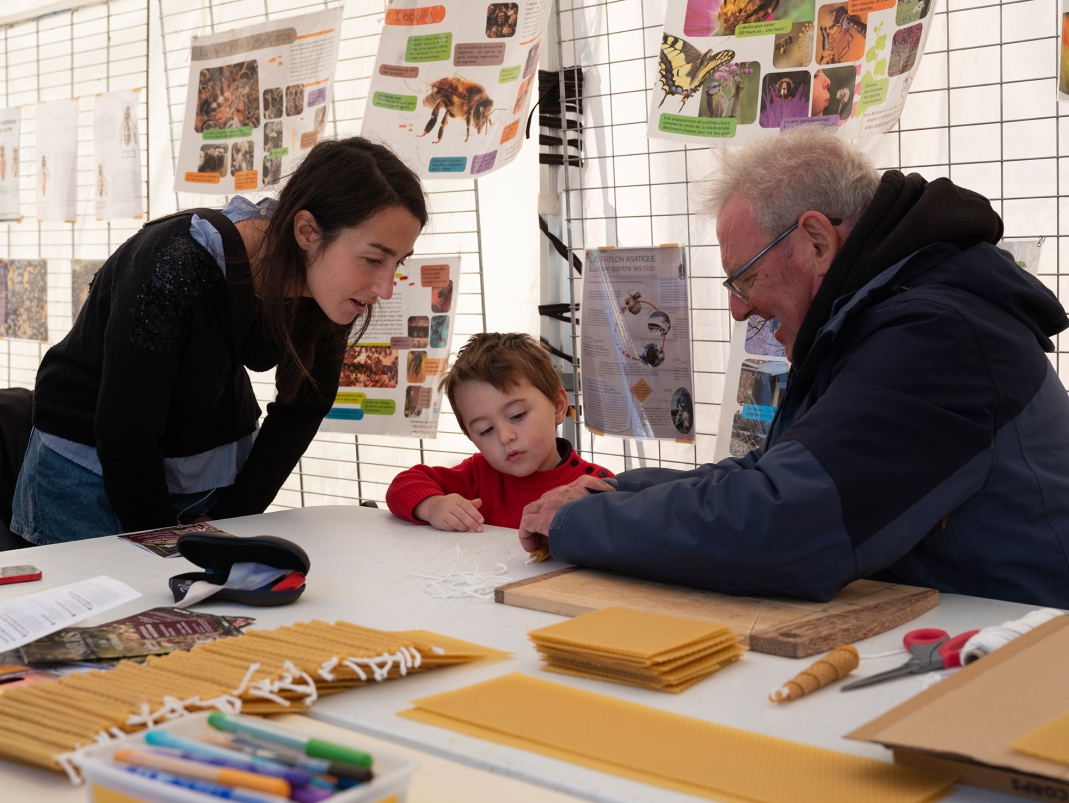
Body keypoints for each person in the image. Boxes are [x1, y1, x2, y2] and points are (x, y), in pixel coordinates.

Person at [519, 127, 1069, 607]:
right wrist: (618, 493)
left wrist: (581, 523)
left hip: (1026, 648)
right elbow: (768, 472)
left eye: (745, 278)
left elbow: (784, 525)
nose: (738, 310)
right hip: (969, 626)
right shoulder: (875, 323)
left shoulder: (935, 336)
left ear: (816, 242)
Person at [13, 137, 427, 545]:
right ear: (307, 231)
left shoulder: (331, 286)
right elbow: (126, 428)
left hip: (204, 470)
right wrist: (166, 544)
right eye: (374, 259)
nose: (386, 287)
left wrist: (234, 516)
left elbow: (303, 409)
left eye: (398, 262)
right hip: (90, 472)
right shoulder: (175, 261)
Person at [386, 333, 613, 533]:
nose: (505, 437)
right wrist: (433, 505)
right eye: (486, 430)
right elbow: (402, 485)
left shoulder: (598, 485)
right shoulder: (479, 475)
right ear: (471, 437)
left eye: (517, 415)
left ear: (557, 406)